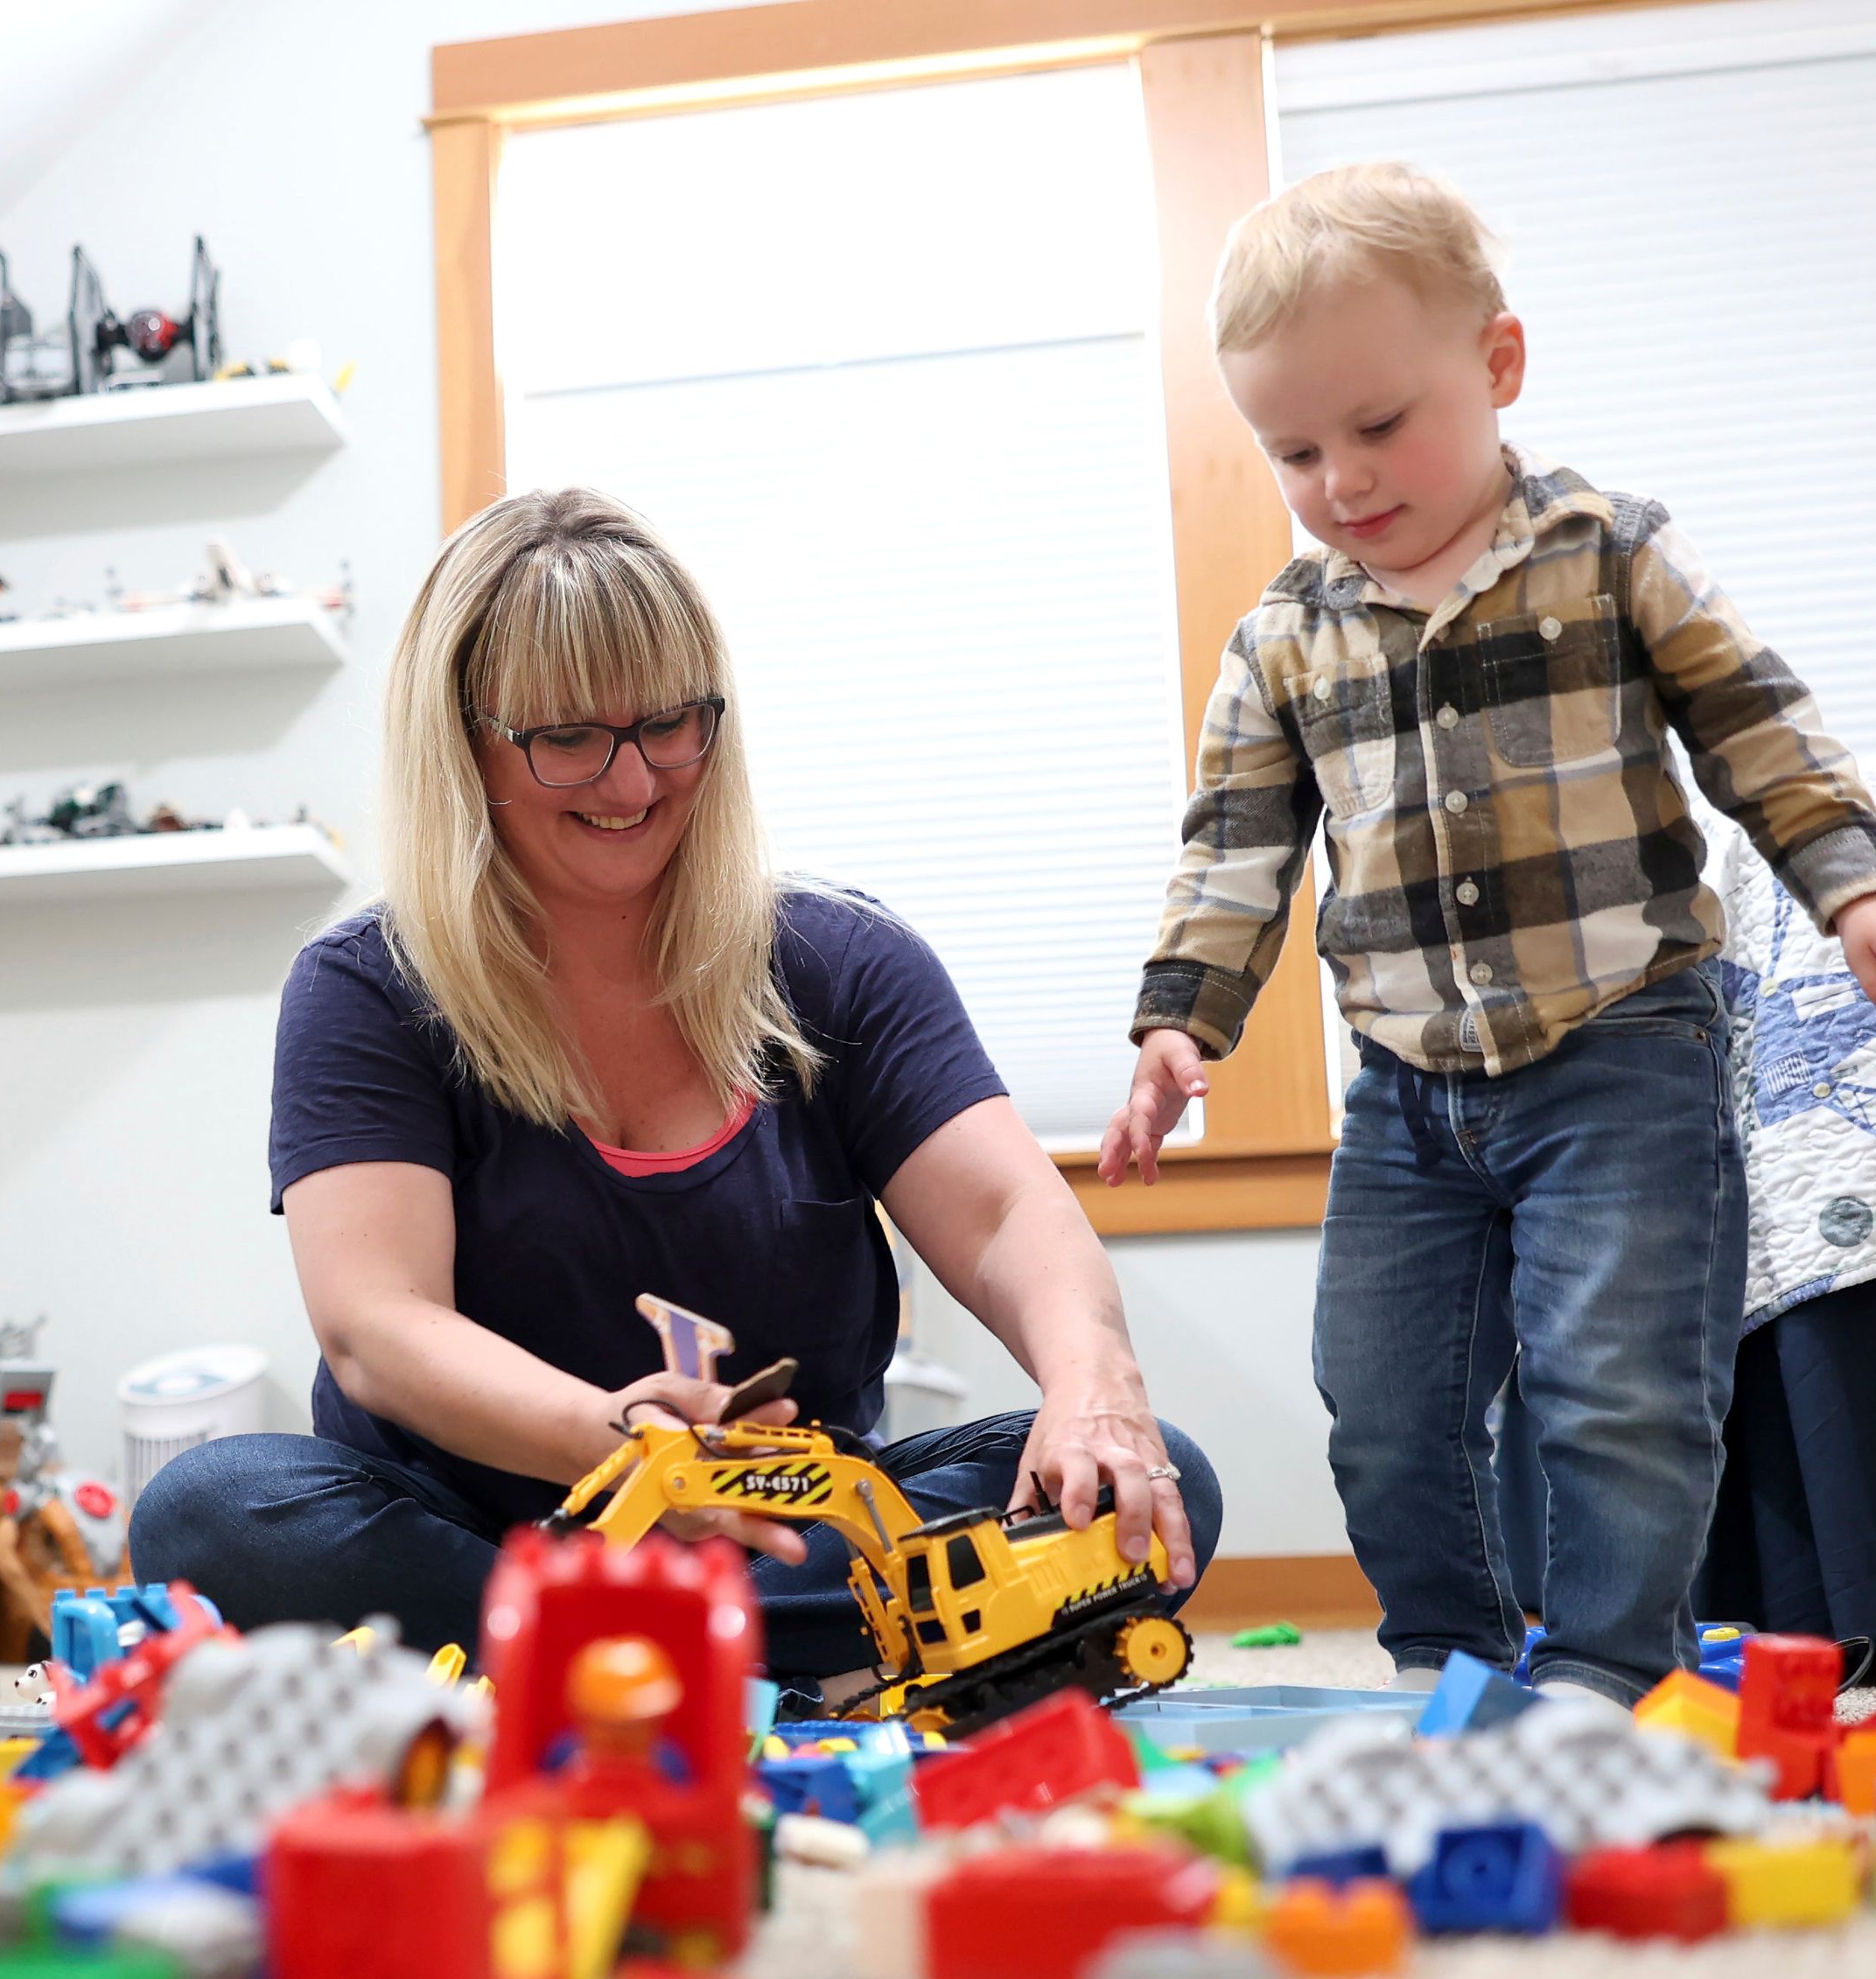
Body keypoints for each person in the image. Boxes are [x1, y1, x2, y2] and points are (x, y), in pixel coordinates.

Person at [1101, 162, 1876, 1704]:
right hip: (1406, 1092)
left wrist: (1862, 892)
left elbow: (1761, 734)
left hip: (1626, 1054)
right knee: (1384, 1400)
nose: (1343, 477)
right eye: (1294, 448)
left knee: (1618, 1389)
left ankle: (1604, 1672)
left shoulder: (1611, 553)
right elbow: (1236, 849)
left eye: (1380, 425)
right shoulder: (1283, 639)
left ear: (1497, 365)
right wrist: (1180, 1021)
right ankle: (1447, 1662)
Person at [134, 488, 1222, 1689]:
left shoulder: (842, 959)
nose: (635, 777)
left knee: (1154, 1473)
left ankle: (608, 1667)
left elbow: (1013, 1214)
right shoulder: (367, 988)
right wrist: (623, 1439)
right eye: (568, 737)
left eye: (670, 724)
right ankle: (735, 1660)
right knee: (210, 1508)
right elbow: (377, 1328)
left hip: (791, 1539)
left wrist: (1092, 1385)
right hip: (488, 1538)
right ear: (464, 739)